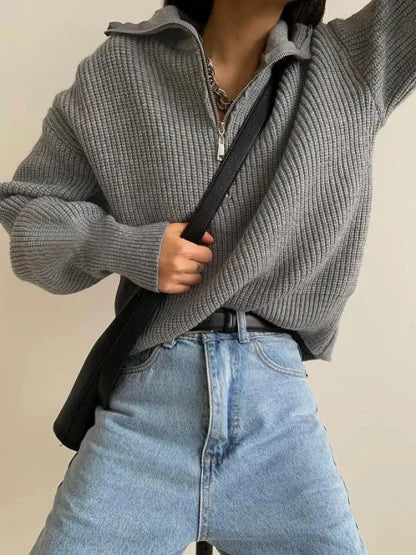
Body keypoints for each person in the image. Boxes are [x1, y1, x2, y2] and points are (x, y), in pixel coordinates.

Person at [1, 0, 415, 553]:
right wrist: (127, 247)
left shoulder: (353, 62)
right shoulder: (118, 69)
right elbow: (28, 214)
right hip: (144, 411)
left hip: (276, 419)